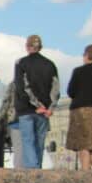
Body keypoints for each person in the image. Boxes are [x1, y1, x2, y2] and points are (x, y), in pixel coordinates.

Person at [13, 33, 59, 169]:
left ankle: (32, 171)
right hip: (44, 110)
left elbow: (21, 87)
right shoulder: (50, 64)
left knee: (28, 141)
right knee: (40, 141)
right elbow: (55, 88)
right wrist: (50, 107)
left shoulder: (21, 63)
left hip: (26, 109)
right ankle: (37, 169)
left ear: (27, 47)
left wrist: (35, 105)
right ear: (41, 47)